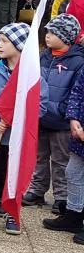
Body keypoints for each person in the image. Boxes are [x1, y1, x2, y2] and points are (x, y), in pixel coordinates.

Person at [0, 23, 47, 235]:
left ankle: (11, 211)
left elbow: (40, 105)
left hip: (17, 136)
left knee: (12, 172)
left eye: (5, 41)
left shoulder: (33, 76)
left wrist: (20, 121)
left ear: (19, 45)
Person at [22, 15, 84, 214]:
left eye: (52, 33)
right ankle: (37, 188)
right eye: (47, 32)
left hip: (61, 122)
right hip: (40, 117)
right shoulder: (43, 56)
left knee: (60, 160)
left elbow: (76, 91)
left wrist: (63, 111)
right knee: (39, 156)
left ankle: (61, 196)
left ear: (65, 37)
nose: (47, 36)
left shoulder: (77, 62)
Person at [46, 60, 84, 243]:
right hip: (80, 134)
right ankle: (74, 215)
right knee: (73, 172)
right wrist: (73, 119)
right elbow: (77, 93)